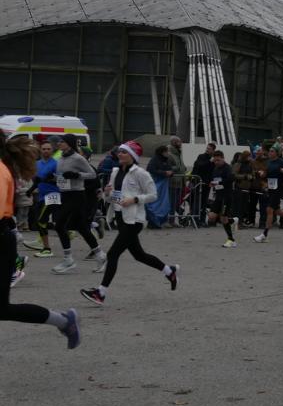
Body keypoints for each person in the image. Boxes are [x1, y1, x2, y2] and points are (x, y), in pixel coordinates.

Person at [1, 132, 80, 348]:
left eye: (48, 148)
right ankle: (64, 321)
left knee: (45, 221)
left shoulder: (1, 171)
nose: (46, 150)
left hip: (51, 198)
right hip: (38, 200)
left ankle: (64, 321)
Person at [80, 141, 179, 306]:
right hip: (120, 218)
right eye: (119, 151)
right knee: (139, 255)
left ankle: (100, 293)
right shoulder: (115, 172)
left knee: (112, 254)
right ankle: (169, 271)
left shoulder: (141, 173)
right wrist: (107, 193)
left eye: (124, 152)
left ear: (132, 156)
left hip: (135, 220)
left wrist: (135, 199)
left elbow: (153, 195)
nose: (120, 154)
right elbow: (112, 198)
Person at [50, 133, 103, 273]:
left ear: (69, 143)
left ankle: (68, 259)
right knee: (82, 228)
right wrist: (52, 178)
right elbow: (62, 177)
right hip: (65, 195)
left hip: (77, 195)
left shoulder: (78, 158)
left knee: (60, 225)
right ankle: (100, 255)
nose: (59, 143)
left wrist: (77, 175)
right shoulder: (60, 158)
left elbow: (92, 174)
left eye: (62, 141)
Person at [253, 145, 283, 243]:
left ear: (277, 153)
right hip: (270, 188)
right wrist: (263, 174)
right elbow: (267, 174)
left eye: (272, 151)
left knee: (269, 209)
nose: (270, 152)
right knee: (277, 211)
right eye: (270, 151)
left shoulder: (281, 162)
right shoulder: (269, 162)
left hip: (278, 189)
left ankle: (264, 235)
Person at [205, 150, 237, 248]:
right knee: (211, 216)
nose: (216, 162)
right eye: (215, 160)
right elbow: (214, 180)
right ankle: (232, 221)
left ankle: (231, 240)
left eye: (218, 160)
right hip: (218, 196)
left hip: (226, 196)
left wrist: (219, 183)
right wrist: (212, 183)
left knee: (223, 218)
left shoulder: (228, 168)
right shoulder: (215, 169)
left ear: (223, 158)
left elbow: (231, 179)